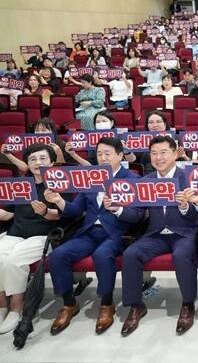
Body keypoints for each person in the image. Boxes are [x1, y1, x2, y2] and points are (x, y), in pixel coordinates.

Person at [108, 136, 198, 336]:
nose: (158, 157)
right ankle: (136, 305)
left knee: (181, 256)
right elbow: (136, 214)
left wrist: (184, 206)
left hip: (183, 233)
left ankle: (188, 304)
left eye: (164, 152)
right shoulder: (145, 181)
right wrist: (117, 209)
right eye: (154, 153)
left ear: (175, 154)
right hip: (155, 234)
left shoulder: (189, 178)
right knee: (131, 254)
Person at [44, 137, 138, 335]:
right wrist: (59, 201)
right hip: (88, 233)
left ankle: (106, 303)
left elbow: (136, 216)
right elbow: (75, 210)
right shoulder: (90, 178)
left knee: (102, 255)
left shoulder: (131, 178)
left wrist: (117, 209)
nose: (103, 157)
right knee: (58, 255)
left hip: (115, 233)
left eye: (108, 153)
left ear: (120, 155)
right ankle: (69, 304)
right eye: (99, 154)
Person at [0, 144, 63, 334]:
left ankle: (17, 307)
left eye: (43, 158)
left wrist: (45, 211)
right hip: (16, 232)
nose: (38, 163)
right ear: (27, 163)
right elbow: (9, 214)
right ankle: (2, 303)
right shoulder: (20, 184)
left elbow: (62, 215)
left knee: (13, 262)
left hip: (42, 235)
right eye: (33, 159)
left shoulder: (59, 184)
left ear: (52, 162)